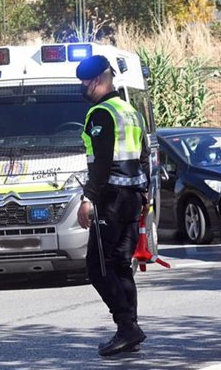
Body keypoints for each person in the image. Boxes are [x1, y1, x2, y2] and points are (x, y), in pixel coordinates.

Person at [75, 55, 150, 356]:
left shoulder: (101, 113)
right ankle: (129, 328)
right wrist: (145, 195)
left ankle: (127, 326)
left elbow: (103, 162)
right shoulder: (130, 111)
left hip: (112, 199)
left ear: (98, 80)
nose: (83, 89)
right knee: (120, 265)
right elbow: (145, 156)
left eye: (85, 83)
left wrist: (87, 199)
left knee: (98, 266)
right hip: (132, 198)